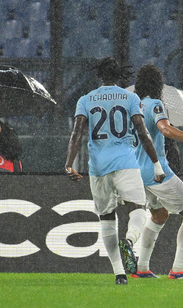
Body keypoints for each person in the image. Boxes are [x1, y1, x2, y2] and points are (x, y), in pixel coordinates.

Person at [65, 57, 165, 285]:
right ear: (119, 75)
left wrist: (69, 164)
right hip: (125, 162)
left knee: (107, 219)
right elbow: (142, 132)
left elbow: (76, 134)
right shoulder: (130, 98)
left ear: (100, 75)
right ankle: (129, 241)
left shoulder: (86, 99)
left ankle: (119, 273)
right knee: (139, 209)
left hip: (98, 166)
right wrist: (156, 164)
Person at [131, 64, 183, 279]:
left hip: (135, 172)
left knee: (159, 214)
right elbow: (165, 129)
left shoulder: (133, 105)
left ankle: (142, 268)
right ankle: (178, 267)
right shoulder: (155, 104)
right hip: (156, 171)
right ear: (157, 84)